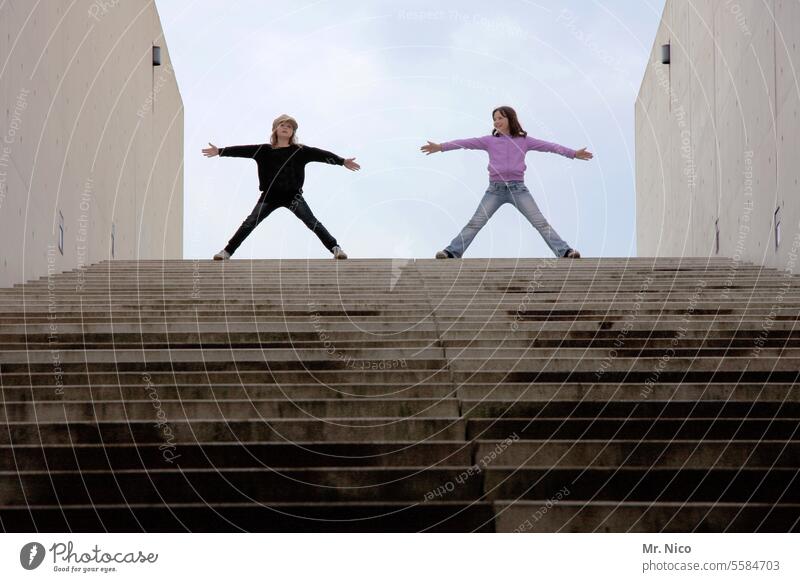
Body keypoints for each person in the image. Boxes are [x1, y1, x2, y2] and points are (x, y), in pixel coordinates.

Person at [421, 105, 592, 259]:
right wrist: (441, 147)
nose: (496, 121)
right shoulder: (489, 141)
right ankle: (451, 252)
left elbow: (550, 146)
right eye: (494, 119)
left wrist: (573, 153)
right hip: (495, 190)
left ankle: (565, 252)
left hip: (518, 189)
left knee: (540, 222)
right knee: (475, 223)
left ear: (510, 119)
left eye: (500, 118)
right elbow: (464, 143)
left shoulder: (524, 141)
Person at [203, 114, 360, 260]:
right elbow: (242, 150)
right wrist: (220, 151)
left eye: (290, 127)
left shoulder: (300, 151)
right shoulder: (263, 150)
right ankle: (227, 252)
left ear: (292, 132)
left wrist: (342, 161)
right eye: (282, 125)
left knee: (311, 221)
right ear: (275, 129)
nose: (286, 128)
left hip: (293, 196)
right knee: (250, 222)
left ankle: (335, 248)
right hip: (270, 196)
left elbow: (320, 154)